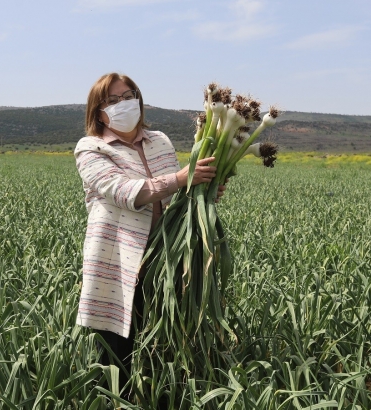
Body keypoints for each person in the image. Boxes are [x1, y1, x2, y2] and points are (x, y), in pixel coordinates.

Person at [74, 73, 226, 393]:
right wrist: (184, 178)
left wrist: (203, 189)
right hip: (117, 260)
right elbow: (124, 192)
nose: (123, 104)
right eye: (113, 100)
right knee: (116, 349)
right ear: (97, 111)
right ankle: (116, 399)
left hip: (163, 258)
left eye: (129, 96)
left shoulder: (159, 140)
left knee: (160, 341)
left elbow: (173, 196)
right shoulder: (91, 148)